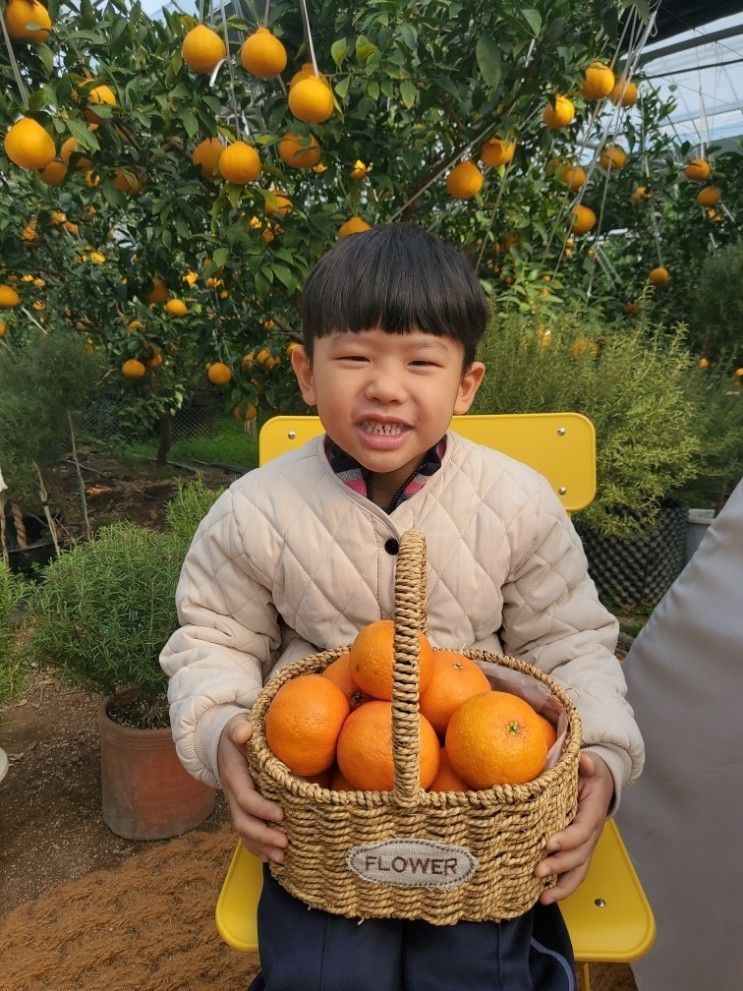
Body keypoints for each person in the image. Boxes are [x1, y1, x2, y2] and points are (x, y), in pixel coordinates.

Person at [160, 223, 644, 990]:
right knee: (326, 972)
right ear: (306, 373)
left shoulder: (515, 501)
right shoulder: (254, 509)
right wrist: (219, 728)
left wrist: (604, 761)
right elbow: (213, 637)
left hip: (480, 796)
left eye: (421, 362)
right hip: (324, 803)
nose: (386, 385)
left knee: (477, 967)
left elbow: (570, 641)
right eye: (353, 357)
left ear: (464, 385)